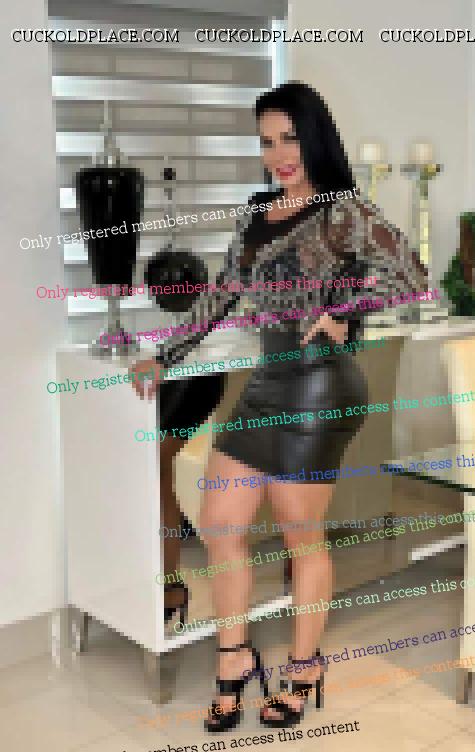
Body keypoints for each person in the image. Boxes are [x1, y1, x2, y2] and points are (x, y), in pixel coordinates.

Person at [131, 81, 427, 731]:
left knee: (300, 534)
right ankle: (234, 659)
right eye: (266, 142)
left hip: (320, 387)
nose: (278, 154)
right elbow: (220, 294)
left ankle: (304, 667)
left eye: (289, 138)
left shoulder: (342, 210)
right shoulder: (255, 215)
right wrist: (165, 354)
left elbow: (412, 274)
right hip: (268, 382)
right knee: (220, 524)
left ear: (314, 137)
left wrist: (345, 310)